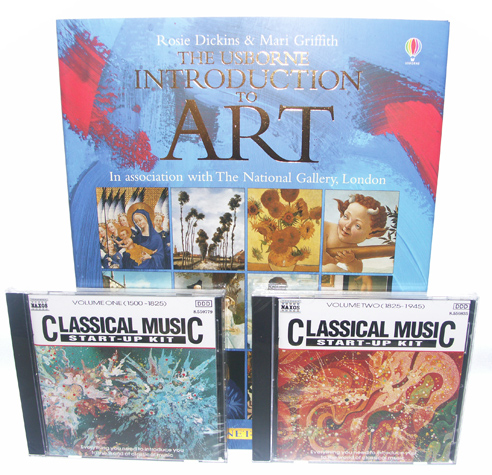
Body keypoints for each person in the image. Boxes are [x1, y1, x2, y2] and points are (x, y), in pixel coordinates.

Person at [322, 194, 387, 273]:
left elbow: (357, 270)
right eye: (346, 217)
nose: (347, 226)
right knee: (331, 268)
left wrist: (351, 261)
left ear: (372, 233)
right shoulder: (325, 227)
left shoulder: (353, 249)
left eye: (357, 226)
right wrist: (329, 261)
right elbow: (320, 256)